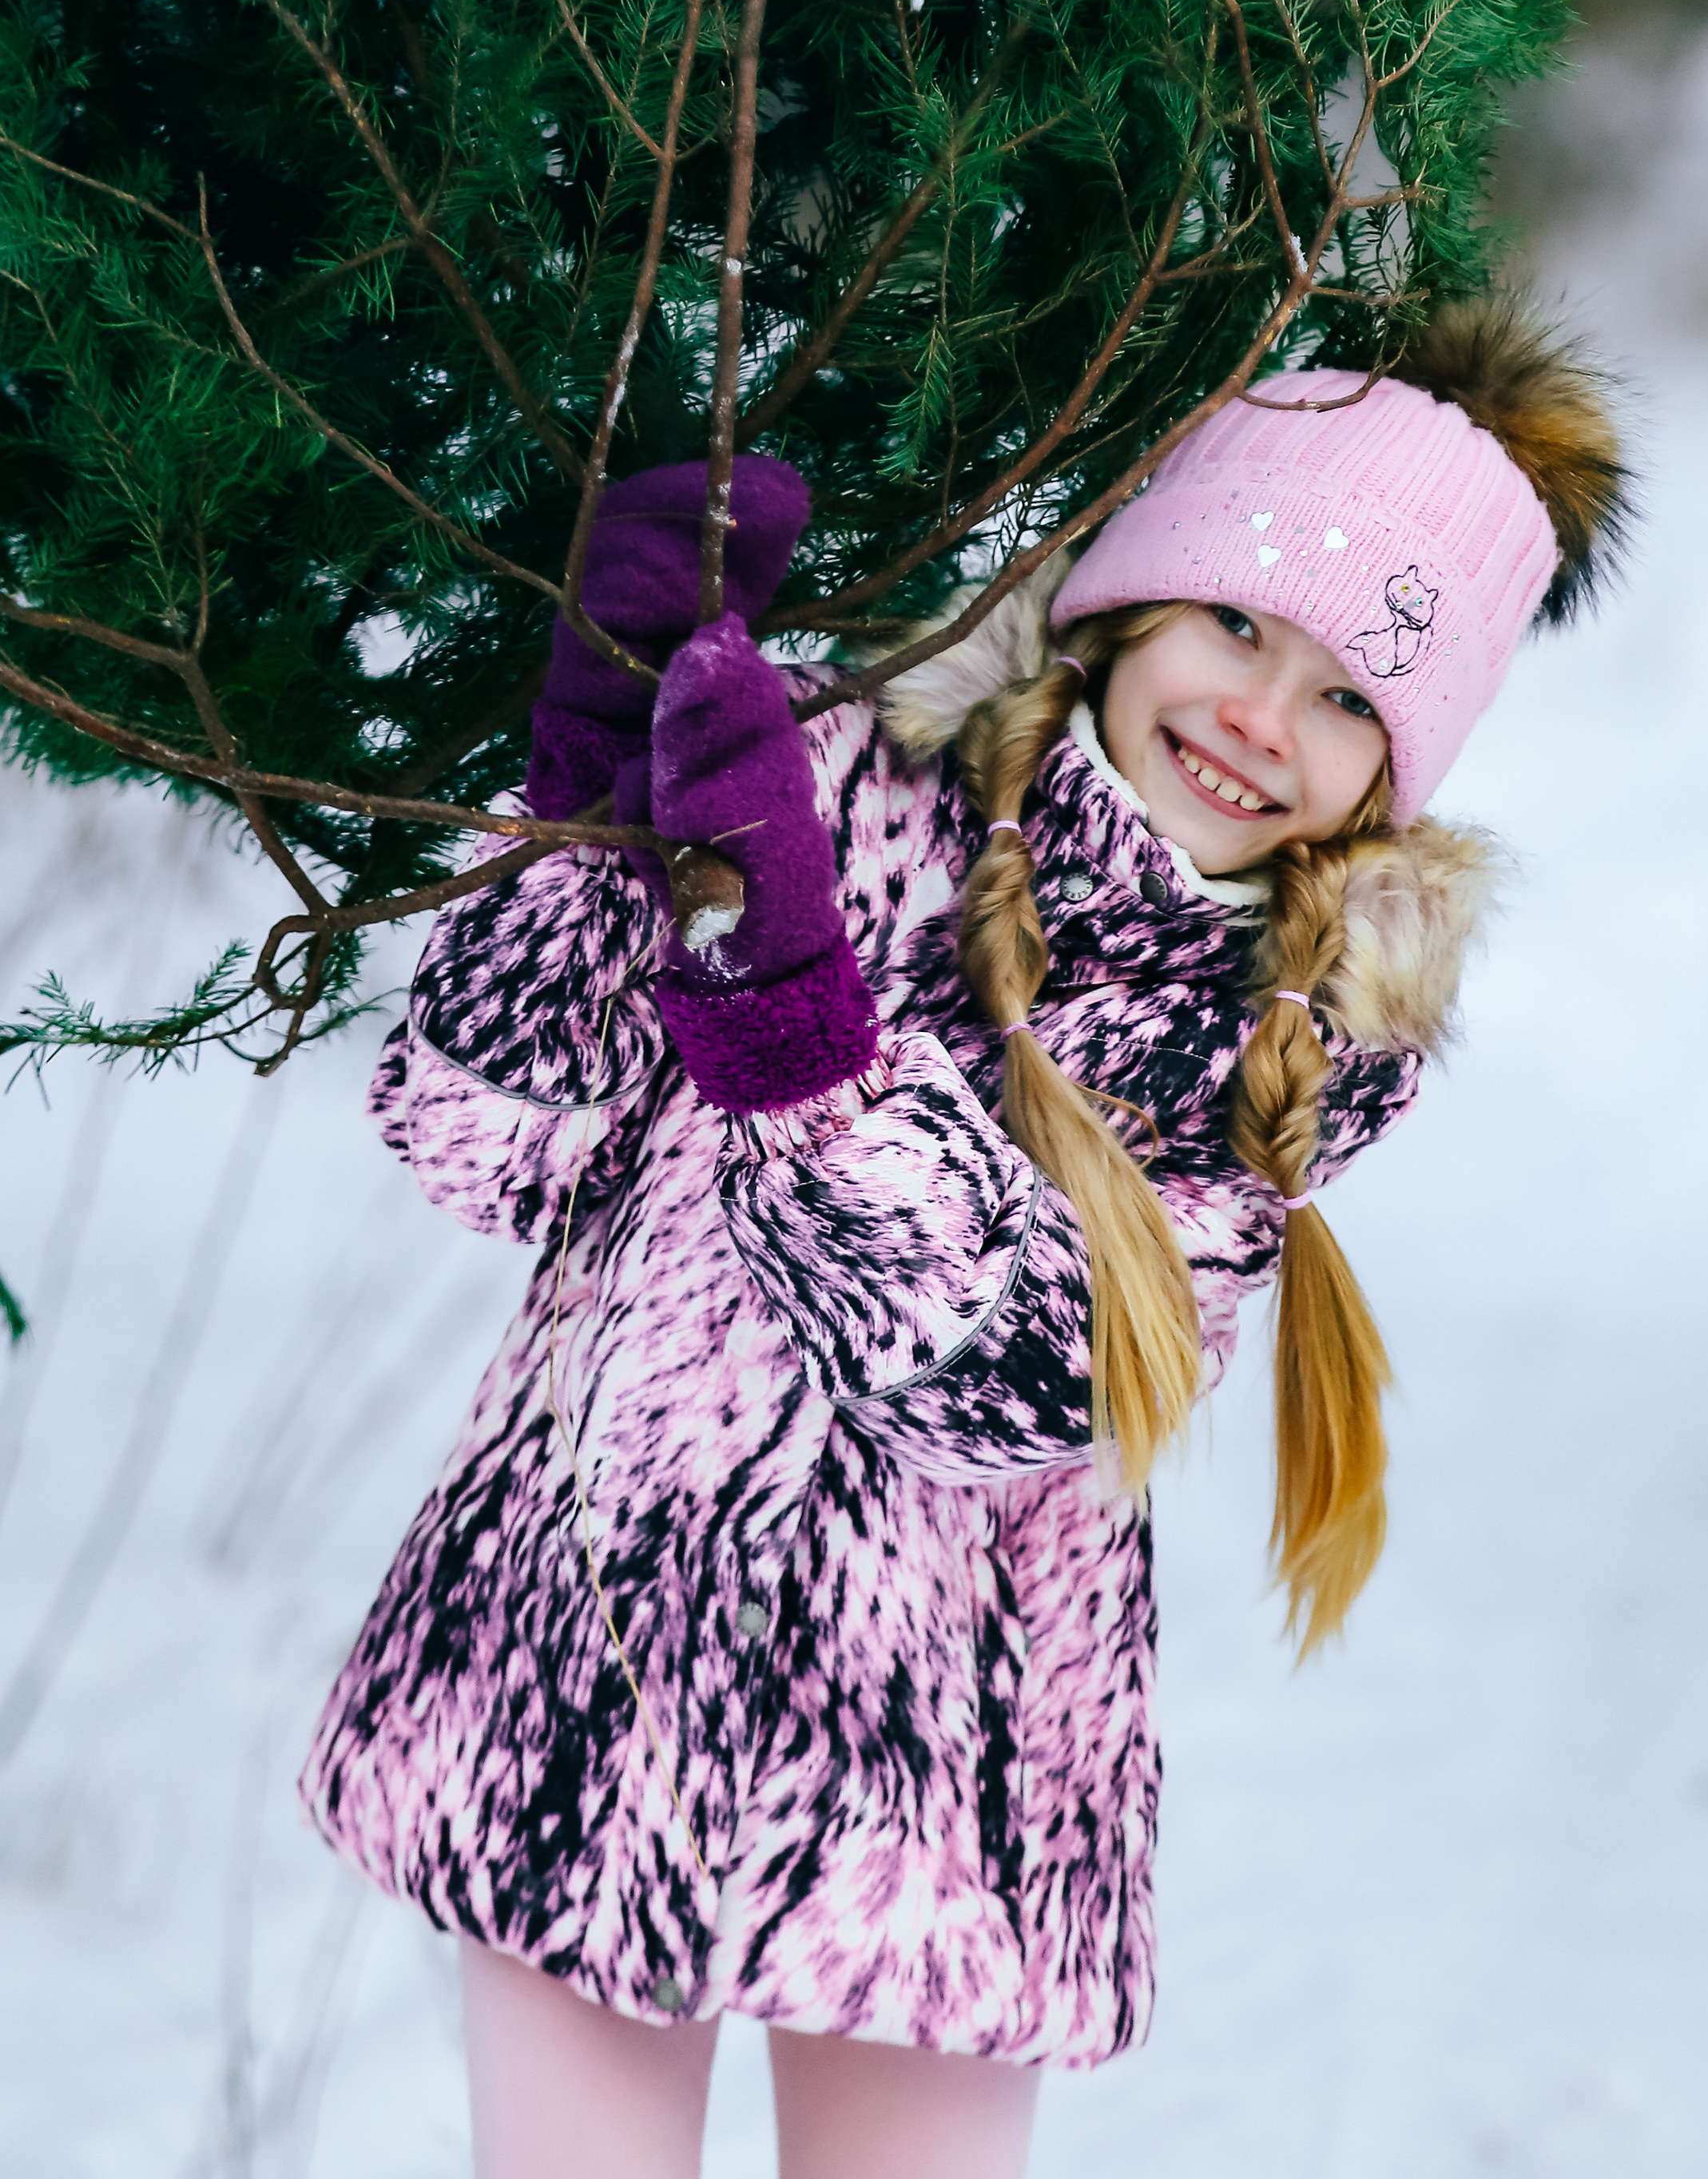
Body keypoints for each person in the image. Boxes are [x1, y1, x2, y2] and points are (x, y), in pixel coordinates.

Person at [300, 293, 1627, 2179]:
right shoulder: (837, 783)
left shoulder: (1270, 1045)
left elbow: (1007, 1380)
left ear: (1396, 772)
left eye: (1348, 696)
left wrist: (796, 1032)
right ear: (1128, 597)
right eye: (1238, 621)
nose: (1261, 716)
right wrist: (595, 800)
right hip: (583, 1690)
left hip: (940, 1790)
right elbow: (474, 1135)